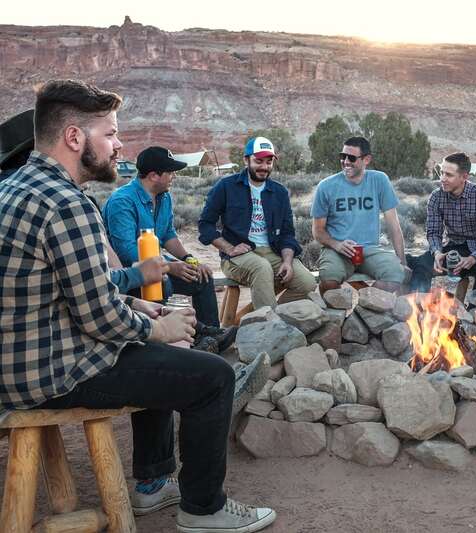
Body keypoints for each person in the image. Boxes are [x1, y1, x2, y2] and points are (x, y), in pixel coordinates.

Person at [0, 79, 275, 532]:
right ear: (74, 137)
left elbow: (79, 287)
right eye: (109, 133)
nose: (118, 144)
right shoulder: (65, 203)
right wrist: (156, 328)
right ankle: (204, 509)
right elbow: (99, 317)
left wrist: (139, 307)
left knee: (161, 359)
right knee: (212, 377)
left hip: (24, 360)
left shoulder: (20, 187)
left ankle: (151, 484)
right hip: (50, 373)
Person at [0, 108, 170, 294]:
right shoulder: (65, 205)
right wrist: (137, 276)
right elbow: (93, 287)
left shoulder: (11, 190)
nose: (117, 145)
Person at [103, 146, 235, 353]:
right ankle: (180, 342)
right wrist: (169, 268)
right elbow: (126, 252)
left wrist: (189, 259)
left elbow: (168, 235)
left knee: (201, 275)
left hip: (158, 264)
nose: (174, 176)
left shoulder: (164, 197)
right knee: (162, 280)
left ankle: (212, 336)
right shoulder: (122, 201)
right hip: (131, 274)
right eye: (170, 172)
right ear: (154, 175)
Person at [199, 136, 315, 310]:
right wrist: (229, 248)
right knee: (262, 268)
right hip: (237, 256)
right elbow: (205, 225)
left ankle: (262, 318)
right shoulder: (226, 186)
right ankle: (268, 327)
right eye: (258, 161)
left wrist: (287, 261)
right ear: (246, 160)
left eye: (269, 162)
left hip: (273, 252)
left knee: (306, 283)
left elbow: (287, 233)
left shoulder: (279, 192)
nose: (264, 167)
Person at [311, 136, 407, 294]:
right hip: (337, 250)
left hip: (369, 249)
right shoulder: (326, 186)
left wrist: (402, 261)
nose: (346, 161)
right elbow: (317, 231)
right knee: (329, 279)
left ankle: (364, 309)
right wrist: (337, 245)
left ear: (366, 159)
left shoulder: (379, 180)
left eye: (351, 158)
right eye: (343, 156)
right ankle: (338, 316)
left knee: (395, 274)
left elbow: (394, 226)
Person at [408, 152, 476, 295]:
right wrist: (437, 252)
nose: (442, 178)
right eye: (442, 173)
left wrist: (473, 258)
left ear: (464, 177)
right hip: (452, 247)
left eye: (448, 175)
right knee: (423, 263)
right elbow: (433, 232)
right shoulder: (436, 196)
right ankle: (416, 306)